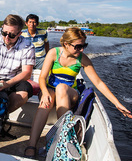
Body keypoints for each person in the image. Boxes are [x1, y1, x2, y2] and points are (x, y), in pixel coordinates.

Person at [24, 27, 132, 158]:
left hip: (70, 94)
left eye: (84, 46)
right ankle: (32, 145)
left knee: (62, 88)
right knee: (46, 102)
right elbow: (42, 77)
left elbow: (98, 83)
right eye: (78, 46)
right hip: (50, 91)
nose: (81, 49)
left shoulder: (82, 59)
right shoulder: (53, 53)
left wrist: (117, 103)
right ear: (66, 44)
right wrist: (45, 92)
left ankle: (63, 140)